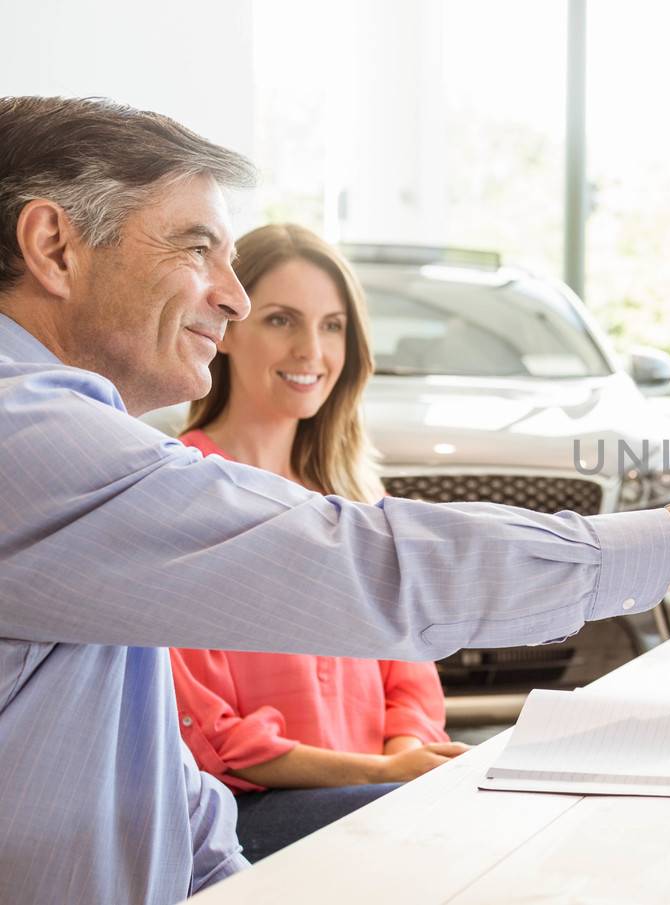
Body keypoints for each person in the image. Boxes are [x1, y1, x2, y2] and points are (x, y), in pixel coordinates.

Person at [0, 96, 670, 904]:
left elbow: (157, 787)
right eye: (197, 249)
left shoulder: (77, 453)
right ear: (54, 245)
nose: (233, 293)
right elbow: (365, 569)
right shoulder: (25, 435)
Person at [167, 223, 468, 862]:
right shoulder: (181, 494)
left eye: (332, 326)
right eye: (281, 320)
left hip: (373, 794)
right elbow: (209, 732)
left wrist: (403, 758)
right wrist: (382, 778)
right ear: (227, 327)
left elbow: (408, 671)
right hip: (242, 818)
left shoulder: (353, 498)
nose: (311, 349)